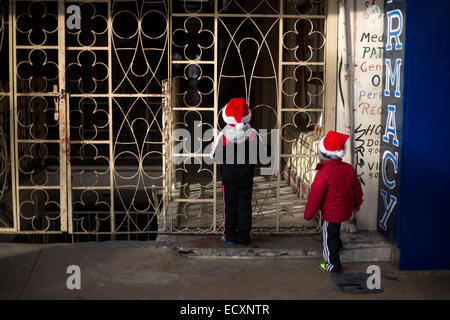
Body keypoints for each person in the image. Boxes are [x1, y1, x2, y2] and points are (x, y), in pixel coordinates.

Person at [304, 131, 363, 273]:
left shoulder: (323, 173)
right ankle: (338, 245)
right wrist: (357, 204)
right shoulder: (348, 168)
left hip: (331, 214)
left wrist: (308, 214)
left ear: (323, 153)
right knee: (334, 232)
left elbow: (315, 196)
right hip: (345, 210)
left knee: (328, 237)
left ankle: (332, 264)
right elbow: (357, 189)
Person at [210, 97, 264, 246]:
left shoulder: (223, 135)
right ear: (247, 114)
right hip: (246, 176)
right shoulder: (252, 133)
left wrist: (213, 146)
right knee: (245, 206)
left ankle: (229, 236)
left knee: (230, 205)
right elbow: (261, 155)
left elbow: (214, 157)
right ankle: (244, 237)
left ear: (226, 114)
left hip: (228, 177)